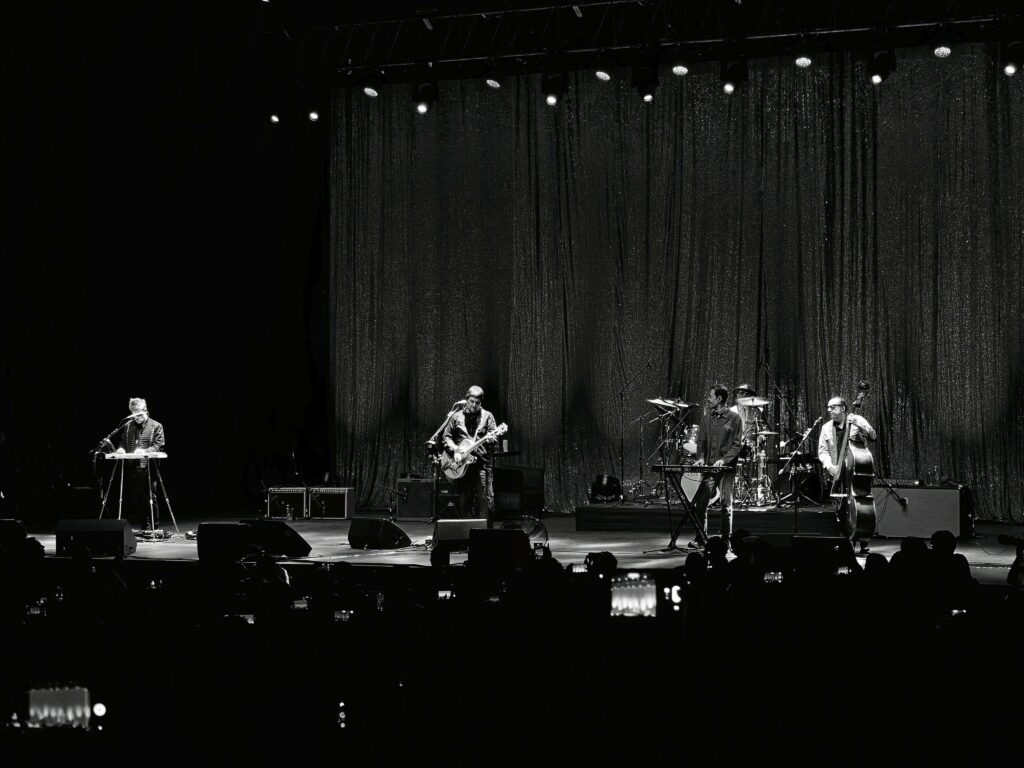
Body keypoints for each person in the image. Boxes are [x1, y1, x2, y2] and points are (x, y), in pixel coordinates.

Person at [688, 384, 744, 549]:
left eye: (711, 396)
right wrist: (700, 458)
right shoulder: (707, 418)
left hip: (726, 470)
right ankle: (700, 538)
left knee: (726, 505)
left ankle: (726, 540)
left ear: (719, 399)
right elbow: (701, 442)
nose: (708, 399)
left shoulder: (734, 419)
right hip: (710, 469)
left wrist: (724, 460)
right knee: (701, 504)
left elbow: (736, 445)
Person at [817, 395, 876, 552]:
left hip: (854, 472)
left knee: (858, 503)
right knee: (839, 509)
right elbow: (822, 451)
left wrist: (858, 424)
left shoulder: (856, 420)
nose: (829, 410)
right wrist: (828, 465)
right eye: (828, 407)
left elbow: (872, 436)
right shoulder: (826, 428)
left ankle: (862, 538)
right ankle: (843, 538)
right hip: (837, 473)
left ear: (842, 408)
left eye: (833, 407)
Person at [99, 397, 165, 531]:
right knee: (137, 497)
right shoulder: (128, 426)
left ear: (146, 411)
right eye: (134, 415)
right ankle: (143, 526)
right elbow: (123, 442)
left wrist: (145, 450)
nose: (137, 418)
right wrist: (121, 449)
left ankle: (154, 527)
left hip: (149, 467)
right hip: (132, 466)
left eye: (139, 415)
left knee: (150, 497)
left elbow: (159, 445)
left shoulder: (156, 426)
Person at [442, 386, 499, 527]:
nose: (473, 405)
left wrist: (492, 439)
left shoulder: (487, 416)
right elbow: (446, 437)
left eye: (477, 403)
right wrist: (455, 449)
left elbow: (494, 438)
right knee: (463, 502)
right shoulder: (456, 416)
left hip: (482, 466)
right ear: (466, 399)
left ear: (481, 403)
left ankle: (486, 539)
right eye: (471, 401)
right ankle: (466, 537)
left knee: (484, 502)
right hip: (462, 467)